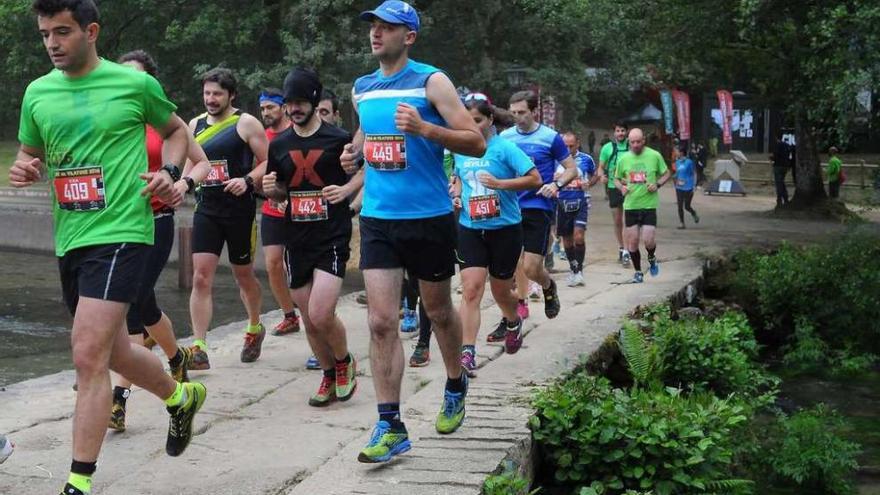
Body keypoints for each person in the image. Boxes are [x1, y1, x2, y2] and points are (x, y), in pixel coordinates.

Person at [11, 2, 207, 493]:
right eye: (44, 34)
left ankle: (79, 480)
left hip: (123, 230)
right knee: (115, 352)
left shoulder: (133, 84)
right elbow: (29, 153)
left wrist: (170, 174)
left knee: (86, 355)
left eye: (63, 32)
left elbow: (178, 132)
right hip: (71, 235)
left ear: (91, 30)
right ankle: (180, 396)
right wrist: (24, 168)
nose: (52, 43)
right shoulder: (37, 92)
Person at [341, 0, 487, 463]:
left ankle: (455, 383)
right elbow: (367, 141)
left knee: (439, 309)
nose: (376, 34)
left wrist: (425, 127)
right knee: (381, 321)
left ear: (410, 36)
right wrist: (353, 156)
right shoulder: (362, 88)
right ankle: (390, 423)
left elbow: (475, 140)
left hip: (428, 216)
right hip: (379, 218)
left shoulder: (431, 81)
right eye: (373, 27)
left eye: (388, 27)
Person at [108, 49, 213, 433]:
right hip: (116, 224)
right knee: (145, 303)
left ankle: (118, 400)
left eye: (136, 77)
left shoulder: (166, 123)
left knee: (133, 303)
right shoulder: (108, 120)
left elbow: (202, 163)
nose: (128, 84)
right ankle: (176, 355)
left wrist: (182, 182)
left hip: (155, 219)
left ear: (151, 83)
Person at [262, 68, 361, 407]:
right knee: (308, 317)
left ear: (315, 100)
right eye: (290, 103)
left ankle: (344, 360)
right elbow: (278, 190)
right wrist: (270, 190)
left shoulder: (338, 139)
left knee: (320, 313)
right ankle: (327, 374)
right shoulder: (280, 145)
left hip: (331, 234)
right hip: (296, 237)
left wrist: (347, 188)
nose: (295, 109)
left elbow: (364, 169)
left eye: (301, 102)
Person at [452, 98, 542, 376]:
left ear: (490, 120)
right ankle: (467, 353)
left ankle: (513, 320)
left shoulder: (504, 148)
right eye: (468, 121)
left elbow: (534, 178)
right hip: (470, 227)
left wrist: (501, 184)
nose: (473, 126)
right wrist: (455, 192)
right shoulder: (460, 148)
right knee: (471, 290)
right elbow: (458, 177)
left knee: (501, 291)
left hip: (504, 229)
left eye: (477, 120)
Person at [187, 67, 269, 369]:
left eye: (217, 94)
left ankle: (254, 326)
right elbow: (188, 165)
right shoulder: (194, 125)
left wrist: (247, 180)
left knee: (243, 275)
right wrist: (179, 183)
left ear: (231, 95)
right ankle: (199, 345)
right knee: (201, 276)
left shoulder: (245, 123)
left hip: (239, 211)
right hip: (206, 209)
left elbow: (268, 160)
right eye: (207, 93)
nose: (211, 99)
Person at [501, 90, 578, 323]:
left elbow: (571, 169)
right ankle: (518, 307)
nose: (517, 117)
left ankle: (547, 285)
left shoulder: (550, 137)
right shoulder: (505, 138)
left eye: (522, 112)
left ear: (534, 111)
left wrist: (556, 184)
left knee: (531, 267)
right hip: (510, 205)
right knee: (512, 261)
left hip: (538, 204)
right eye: (513, 113)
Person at [259, 87, 303, 337]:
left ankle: (312, 311)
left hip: (298, 208)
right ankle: (289, 315)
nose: (266, 112)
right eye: (263, 108)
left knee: (298, 264)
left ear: (283, 108)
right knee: (273, 263)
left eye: (270, 107)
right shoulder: (260, 136)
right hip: (271, 208)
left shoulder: (295, 133)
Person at [614, 128, 671, 284]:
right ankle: (638, 272)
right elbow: (616, 179)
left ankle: (651, 257)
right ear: (629, 142)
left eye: (638, 141)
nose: (636, 145)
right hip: (631, 205)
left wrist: (657, 184)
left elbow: (667, 173)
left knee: (648, 239)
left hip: (648, 205)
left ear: (643, 140)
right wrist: (621, 188)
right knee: (632, 242)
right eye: (632, 142)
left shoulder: (654, 155)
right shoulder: (624, 159)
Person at [555, 132, 597, 287]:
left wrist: (589, 183)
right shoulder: (555, 160)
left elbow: (594, 175)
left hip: (581, 201)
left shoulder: (586, 159)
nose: (567, 148)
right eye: (565, 146)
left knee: (578, 236)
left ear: (577, 144)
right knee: (567, 240)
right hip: (562, 203)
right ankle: (573, 269)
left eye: (571, 145)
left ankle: (579, 271)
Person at [598, 122, 631, 267]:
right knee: (618, 221)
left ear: (627, 132)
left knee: (629, 221)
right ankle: (622, 247)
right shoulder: (608, 148)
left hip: (631, 189)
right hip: (613, 188)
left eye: (623, 130)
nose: (620, 133)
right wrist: (601, 177)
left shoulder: (633, 147)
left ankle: (627, 251)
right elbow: (601, 168)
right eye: (618, 131)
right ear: (614, 133)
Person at [672, 146, 699, 229]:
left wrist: (694, 185)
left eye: (677, 152)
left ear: (681, 153)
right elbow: (677, 173)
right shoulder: (677, 162)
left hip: (688, 186)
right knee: (680, 205)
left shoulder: (689, 162)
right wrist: (674, 178)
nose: (676, 153)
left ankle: (693, 213)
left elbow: (694, 173)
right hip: (679, 187)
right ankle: (682, 223)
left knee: (686, 206)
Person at [771, 134, 790, 206]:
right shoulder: (787, 145)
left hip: (778, 166)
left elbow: (775, 155)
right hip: (785, 166)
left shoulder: (777, 145)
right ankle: (785, 198)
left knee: (779, 183)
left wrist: (772, 158)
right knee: (782, 182)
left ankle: (779, 200)